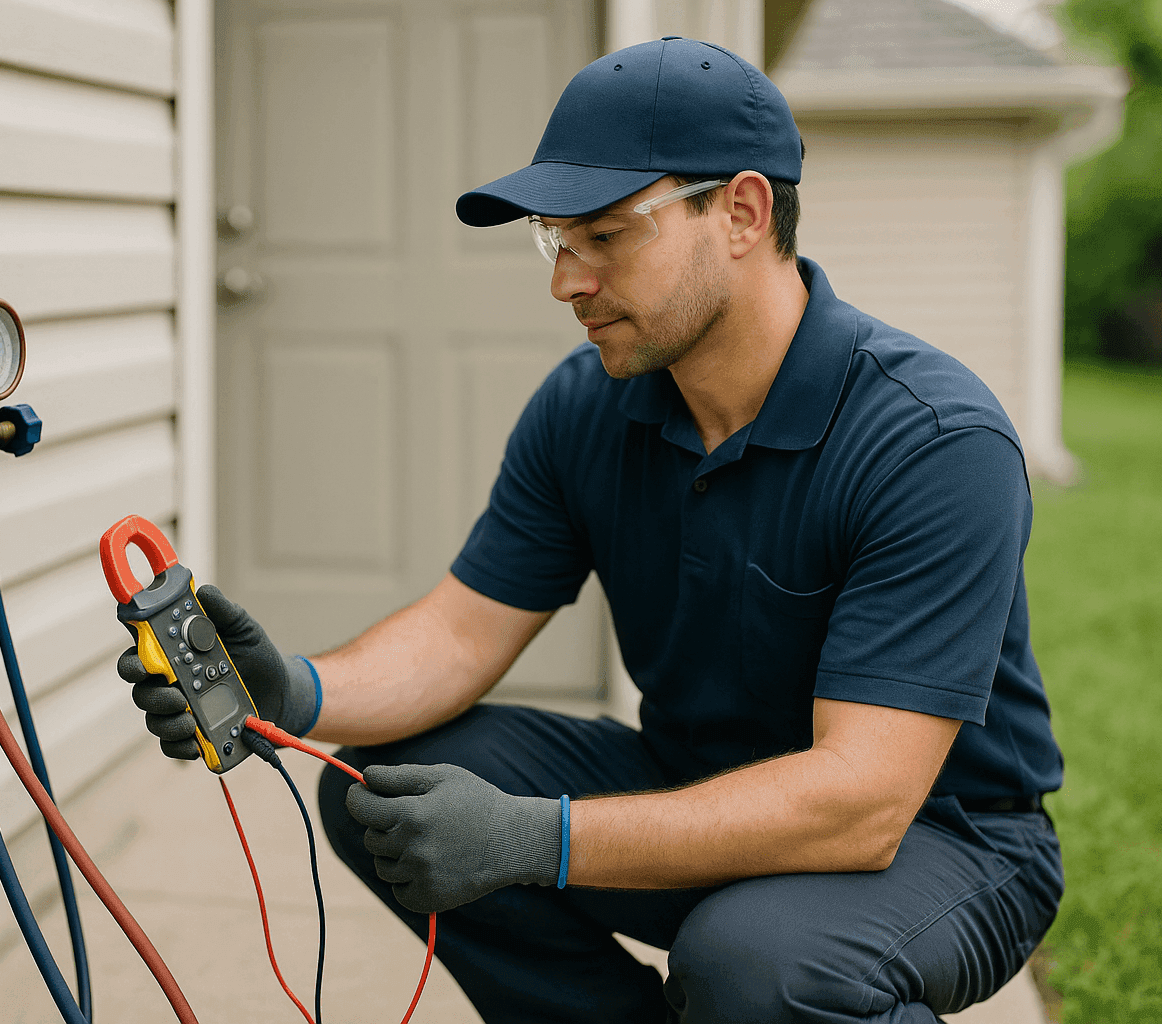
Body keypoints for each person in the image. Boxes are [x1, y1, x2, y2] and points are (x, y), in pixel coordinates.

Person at [121, 36, 1063, 1023]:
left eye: (606, 236)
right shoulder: (590, 405)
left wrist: (542, 837)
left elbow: (863, 801)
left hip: (945, 838)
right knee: (386, 790)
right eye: (554, 239)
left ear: (741, 211)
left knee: (756, 965)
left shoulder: (929, 439)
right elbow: (459, 632)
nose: (567, 280)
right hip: (699, 778)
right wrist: (295, 691)